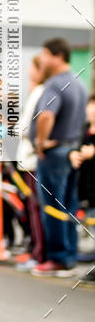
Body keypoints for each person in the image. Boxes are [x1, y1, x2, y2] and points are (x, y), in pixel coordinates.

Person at [30, 38, 87, 277]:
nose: (41, 60)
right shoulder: (79, 83)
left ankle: (57, 259)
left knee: (52, 207)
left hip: (55, 153)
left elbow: (45, 116)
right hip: (73, 150)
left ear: (58, 56)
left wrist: (41, 142)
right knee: (69, 206)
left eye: (44, 54)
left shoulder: (54, 84)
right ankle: (69, 255)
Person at [14, 55, 46, 270]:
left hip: (32, 160)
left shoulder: (39, 92)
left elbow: (26, 127)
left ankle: (38, 254)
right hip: (32, 159)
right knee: (35, 208)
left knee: (35, 209)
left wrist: (14, 128)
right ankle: (37, 252)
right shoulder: (39, 91)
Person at [69, 94, 95, 283]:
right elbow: (75, 146)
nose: (90, 110)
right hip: (87, 187)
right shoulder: (85, 130)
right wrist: (74, 154)